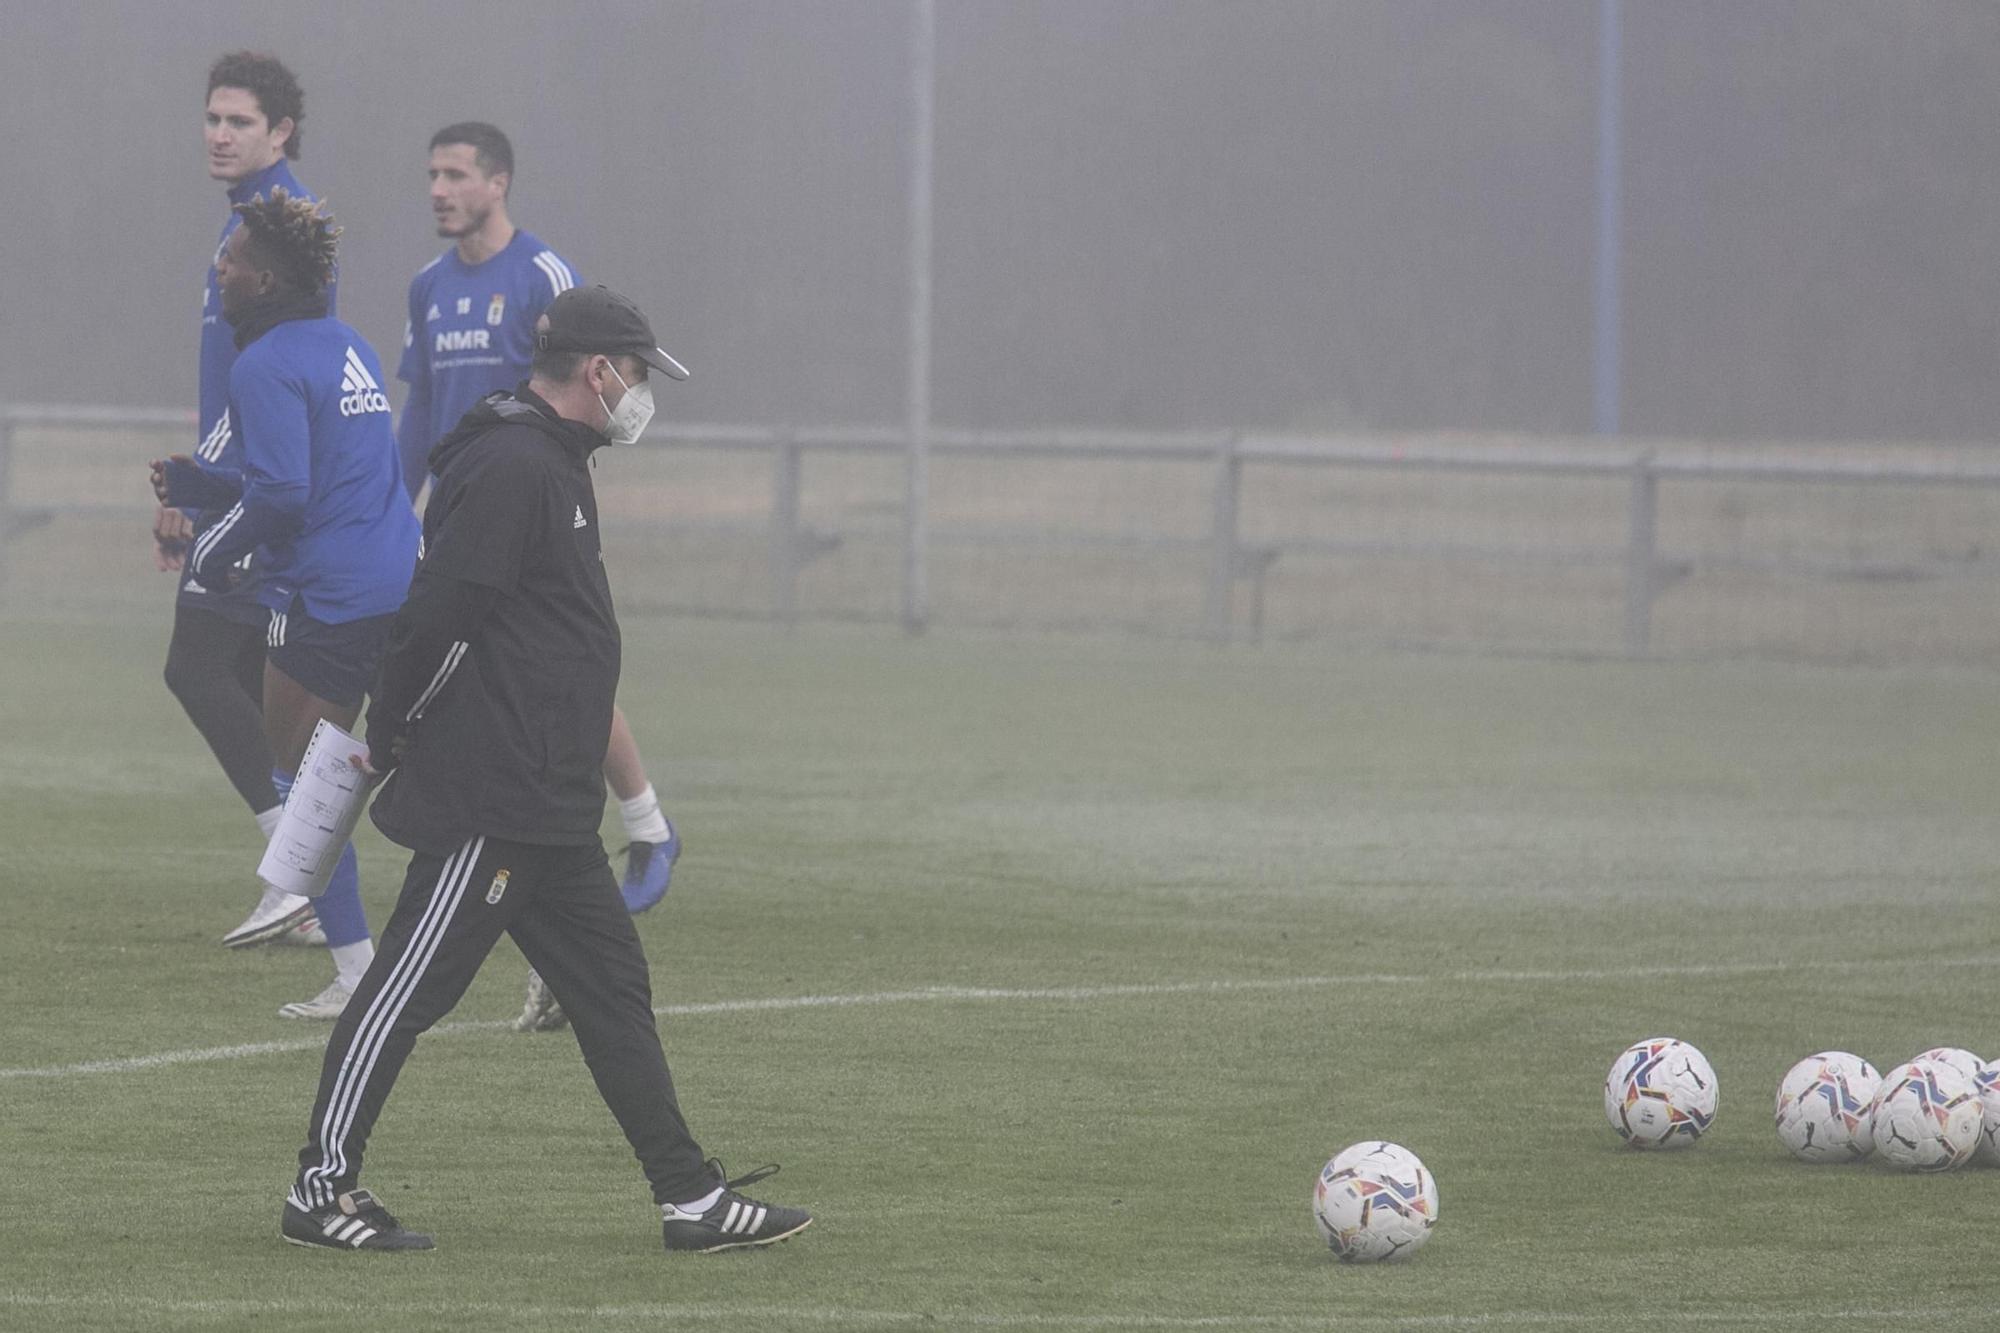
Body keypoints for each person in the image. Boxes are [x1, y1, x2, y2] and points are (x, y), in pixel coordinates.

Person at [279, 284, 810, 1255]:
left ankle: (689, 1198)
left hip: (550, 801)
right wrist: (391, 731)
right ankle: (319, 1191)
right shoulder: (518, 465)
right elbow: (442, 618)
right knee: (404, 990)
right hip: (497, 790)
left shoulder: (553, 462)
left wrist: (623, 798)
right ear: (600, 371)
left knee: (611, 991)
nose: (643, 394)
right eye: (639, 374)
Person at [394, 122, 681, 1032]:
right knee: (515, 699)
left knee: (560, 673)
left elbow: (582, 390)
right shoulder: (427, 288)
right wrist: (399, 505)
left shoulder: (545, 277)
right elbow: (420, 407)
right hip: (465, 511)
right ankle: (557, 928)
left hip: (531, 504)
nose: (438, 188)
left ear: (499, 182)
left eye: (456, 173)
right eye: (431, 173)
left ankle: (643, 819)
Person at [153, 189, 419, 1019]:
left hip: (331, 599)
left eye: (230, 259)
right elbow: (313, 472)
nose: (220, 269)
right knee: (453, 775)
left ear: (263, 279)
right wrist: (210, 485)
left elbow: (285, 500)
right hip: (406, 583)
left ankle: (354, 972)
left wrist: (215, 551)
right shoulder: (349, 345)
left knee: (302, 778)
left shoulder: (261, 364)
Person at [163, 51, 328, 951]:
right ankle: (305, 874)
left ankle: (295, 878)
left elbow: (273, 381)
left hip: (260, 486)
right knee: (233, 679)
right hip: (230, 477)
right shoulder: (243, 226)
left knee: (197, 668)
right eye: (213, 117)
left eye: (239, 121)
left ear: (280, 132)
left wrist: (206, 487)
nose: (219, 134)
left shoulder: (283, 229)